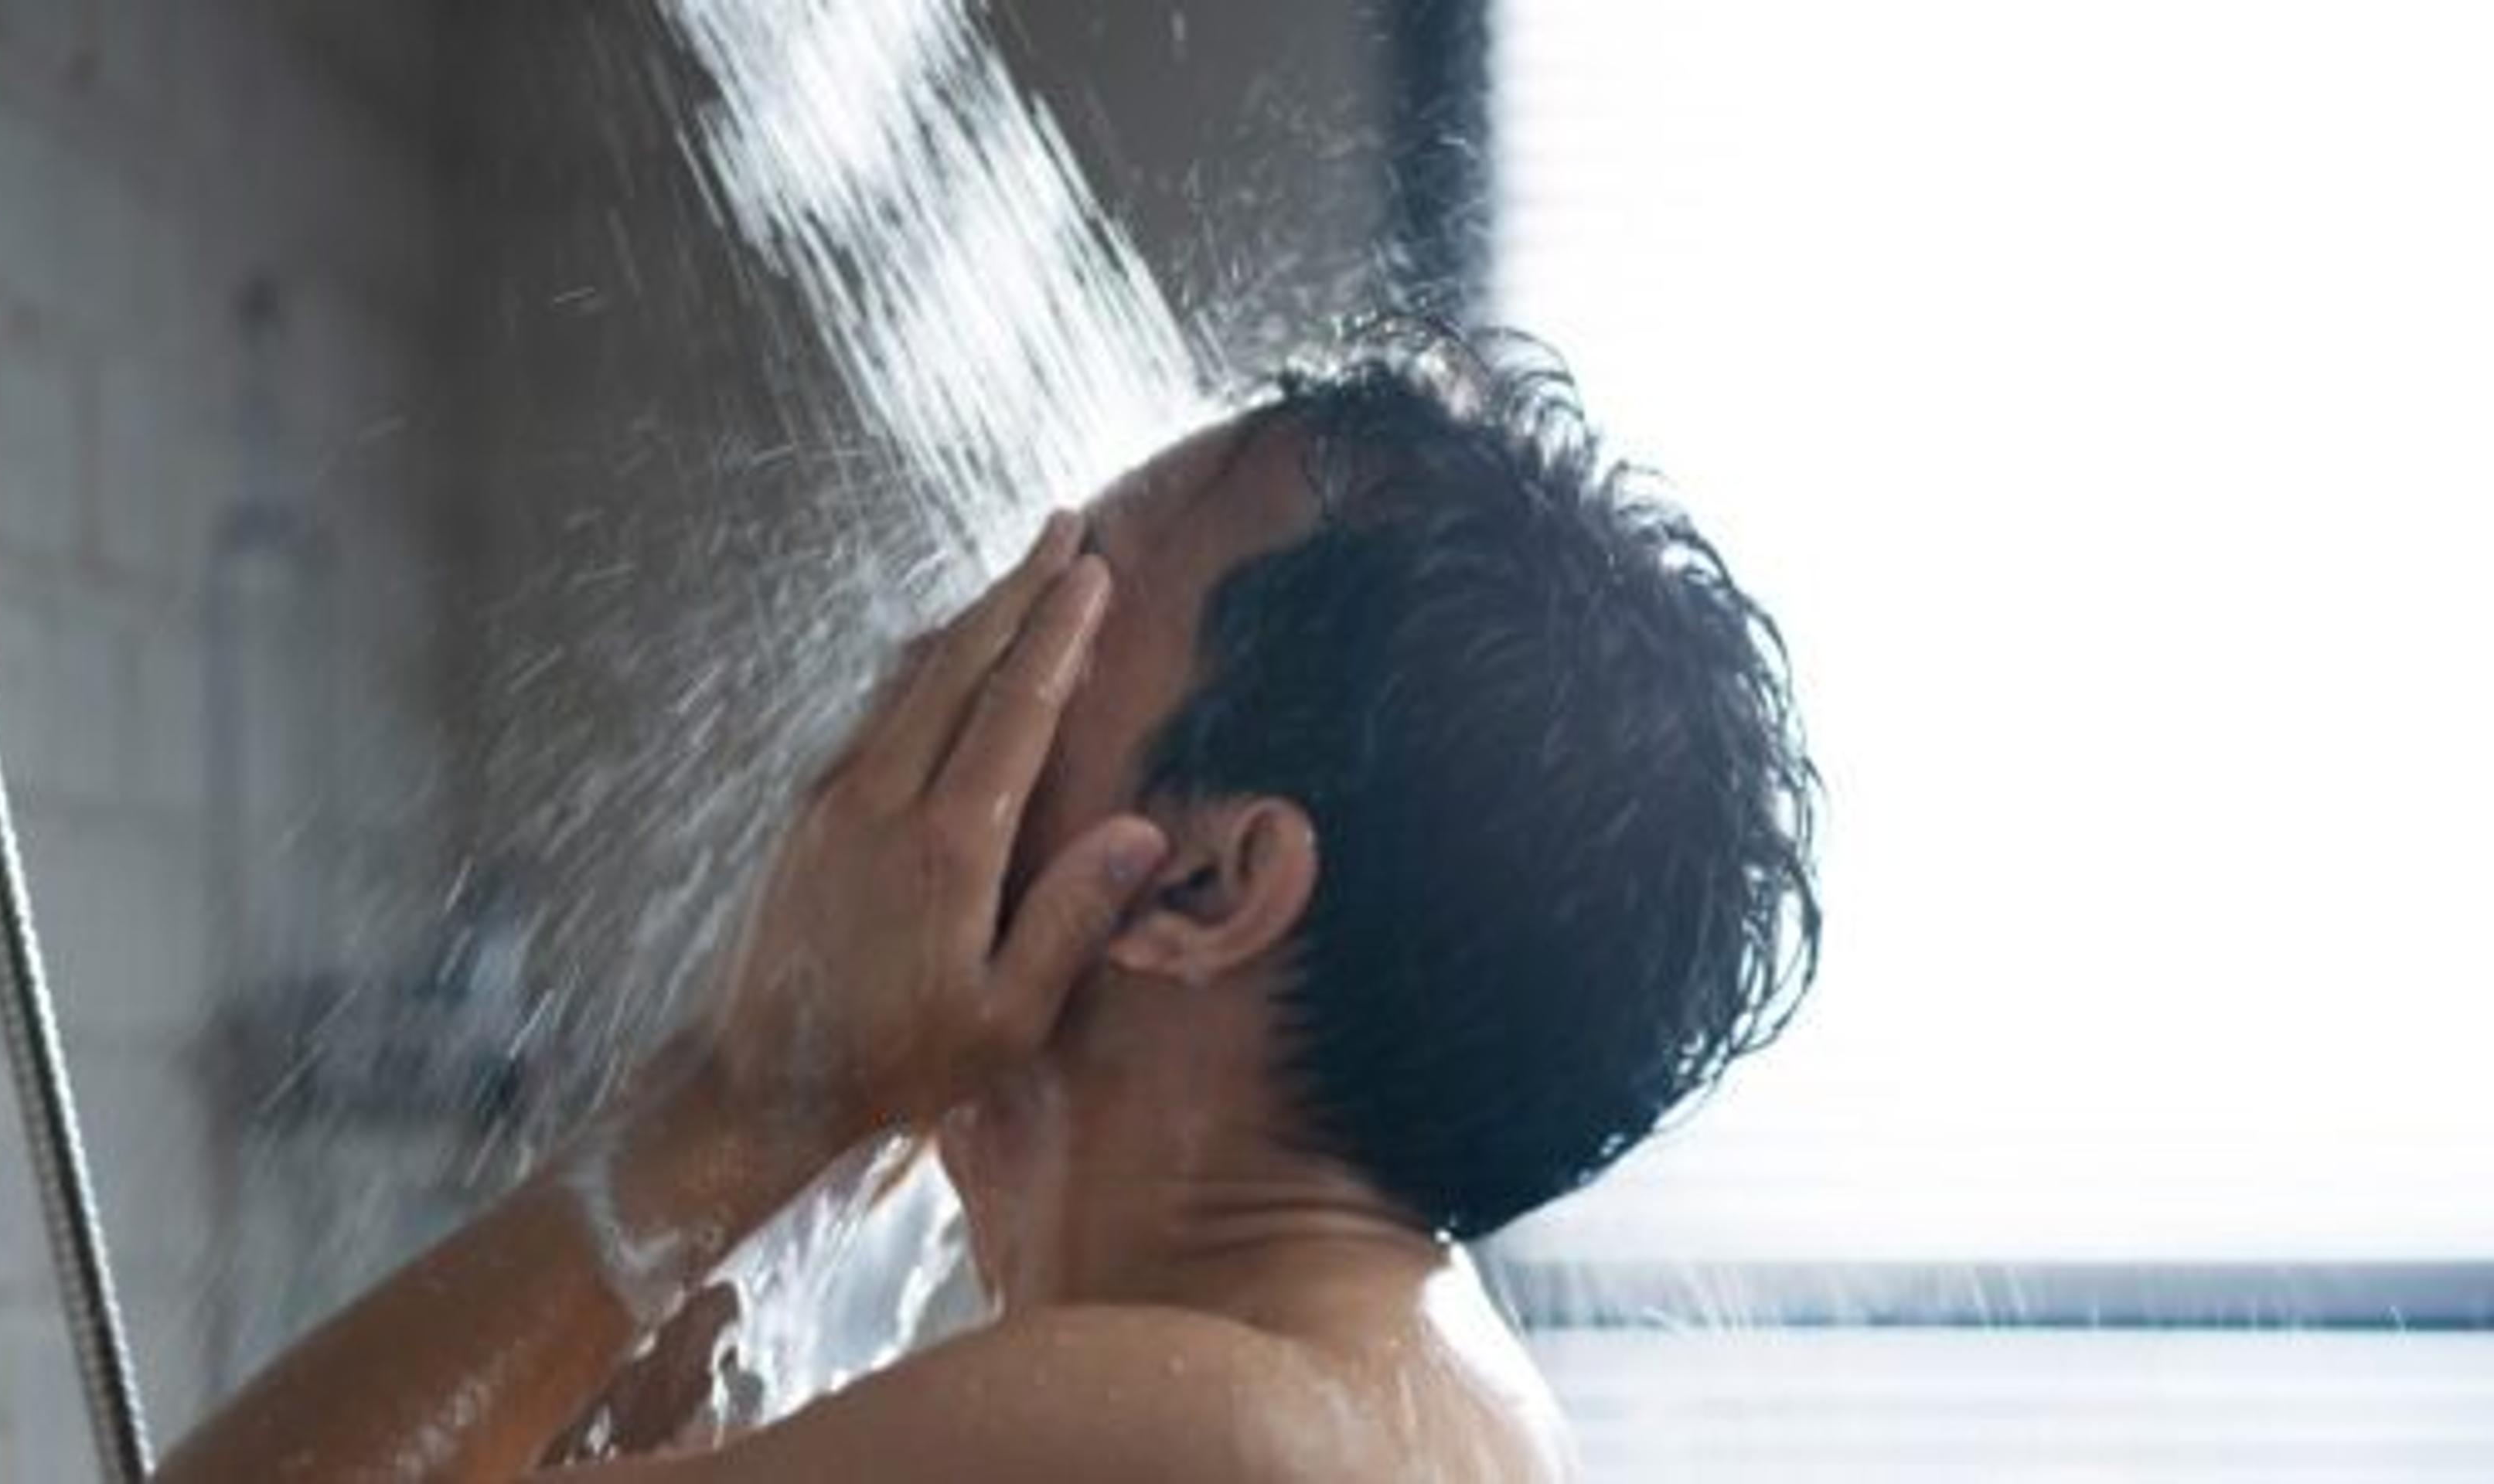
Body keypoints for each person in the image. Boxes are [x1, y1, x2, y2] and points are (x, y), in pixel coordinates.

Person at [161, 322, 1821, 1482]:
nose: (938, 658)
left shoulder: (1203, 1433)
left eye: (1062, 610)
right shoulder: (1422, 1378)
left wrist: (753, 1102)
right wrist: (817, 1121)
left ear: (1205, 882)